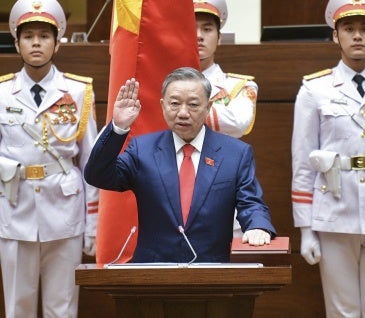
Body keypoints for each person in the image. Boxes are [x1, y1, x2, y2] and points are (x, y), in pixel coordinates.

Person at [85, 67, 276, 263]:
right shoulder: (142, 149)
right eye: (174, 104)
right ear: (162, 105)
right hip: (152, 272)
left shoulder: (235, 153)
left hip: (212, 271)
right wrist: (118, 127)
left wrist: (257, 227)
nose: (183, 113)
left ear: (209, 107)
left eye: (193, 104)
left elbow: (251, 203)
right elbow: (97, 175)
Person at [0, 0, 99, 318]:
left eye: (44, 36)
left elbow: (91, 163)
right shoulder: (2, 93)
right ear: (16, 43)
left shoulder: (78, 92)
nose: (36, 43)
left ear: (58, 43)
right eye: (28, 36)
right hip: (14, 212)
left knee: (62, 308)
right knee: (18, 307)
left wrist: (93, 224)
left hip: (64, 212)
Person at [291, 0, 365, 317]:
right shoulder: (316, 89)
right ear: (335, 36)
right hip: (335, 209)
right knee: (343, 310)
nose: (357, 36)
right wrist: (306, 229)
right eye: (348, 29)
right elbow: (303, 161)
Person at [192, 0, 258, 237]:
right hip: (174, 198)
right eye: (192, 27)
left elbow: (239, 123)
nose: (198, 35)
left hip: (224, 196)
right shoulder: (164, 84)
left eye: (207, 29)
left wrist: (182, 106)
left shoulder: (238, 85)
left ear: (219, 38)